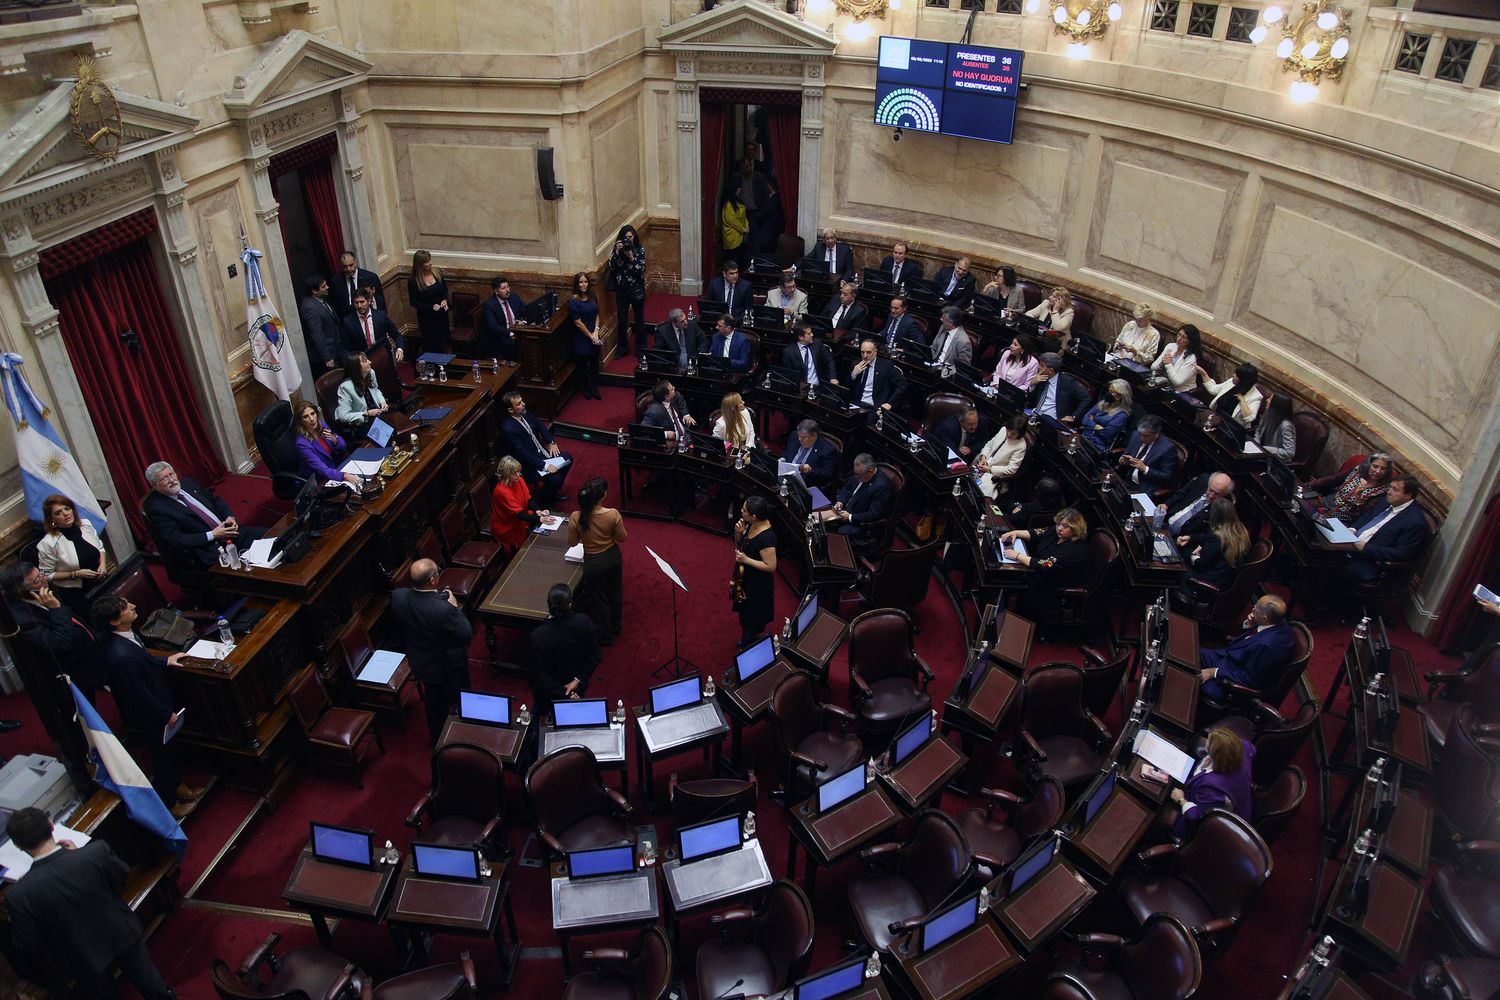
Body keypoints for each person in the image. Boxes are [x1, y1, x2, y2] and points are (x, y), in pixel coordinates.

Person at [4, 806, 177, 1000]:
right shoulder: (95, 852)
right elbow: (122, 874)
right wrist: (79, 854)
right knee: (153, 986)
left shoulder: (19, 895)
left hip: (80, 957)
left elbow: (28, 943)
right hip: (120, 931)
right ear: (51, 826)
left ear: (18, 845)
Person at [92, 596, 202, 819]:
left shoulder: (123, 636)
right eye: (125, 607)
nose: (133, 605)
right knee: (162, 756)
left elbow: (143, 659)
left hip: (155, 702)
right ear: (114, 621)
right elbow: (138, 693)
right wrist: (165, 714)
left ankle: (178, 785)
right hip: (149, 713)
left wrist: (165, 661)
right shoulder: (119, 655)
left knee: (169, 752)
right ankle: (170, 803)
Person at [390, 558, 473, 743]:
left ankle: (436, 735)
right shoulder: (442, 609)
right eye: (437, 572)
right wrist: (454, 607)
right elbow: (466, 631)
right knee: (460, 697)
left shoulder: (398, 596)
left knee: (433, 699)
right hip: (448, 664)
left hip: (421, 661)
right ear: (433, 581)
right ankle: (464, 731)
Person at [141, 462, 261, 583]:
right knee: (250, 575)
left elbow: (215, 500)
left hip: (232, 532)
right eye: (164, 478)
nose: (171, 480)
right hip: (209, 549)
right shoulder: (157, 509)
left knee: (271, 538)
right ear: (154, 486)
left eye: (171, 474)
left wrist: (229, 517)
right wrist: (213, 535)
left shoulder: (188, 483)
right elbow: (176, 539)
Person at [1000, 508, 1092, 619]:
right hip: (1043, 574)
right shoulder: (1056, 532)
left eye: (1065, 526)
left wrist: (1017, 556)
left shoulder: (1074, 550)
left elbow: (1045, 564)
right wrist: (1015, 532)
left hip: (1053, 586)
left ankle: (1019, 618)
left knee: (1016, 580)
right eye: (1058, 524)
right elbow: (1037, 533)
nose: (1060, 528)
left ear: (1075, 529)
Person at [567, 477, 627, 645]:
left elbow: (572, 542)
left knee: (599, 600)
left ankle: (606, 637)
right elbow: (622, 538)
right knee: (615, 593)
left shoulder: (576, 517)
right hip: (613, 557)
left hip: (593, 562)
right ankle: (616, 627)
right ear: (603, 496)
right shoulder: (613, 514)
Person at [1199, 595, 1293, 701]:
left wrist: (1213, 672)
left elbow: (1251, 679)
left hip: (1232, 680)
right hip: (1231, 658)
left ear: (1264, 618)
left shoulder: (1266, 646)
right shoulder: (1278, 621)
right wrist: (1249, 625)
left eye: (1256, 608)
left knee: (1197, 682)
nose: (1253, 608)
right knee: (1193, 654)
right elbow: (1246, 642)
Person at [1166, 728, 1254, 839]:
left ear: (1215, 755)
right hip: (1242, 806)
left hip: (1219, 828)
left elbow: (1197, 817)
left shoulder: (1210, 787)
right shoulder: (1244, 747)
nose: (1207, 738)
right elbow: (1252, 750)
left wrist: (1181, 800)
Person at [528, 583, 601, 715]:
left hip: (547, 693)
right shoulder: (584, 622)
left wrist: (564, 692)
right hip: (577, 687)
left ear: (548, 604)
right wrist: (576, 681)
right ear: (570, 604)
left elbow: (539, 674)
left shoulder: (538, 635)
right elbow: (594, 655)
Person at [1342, 475, 1430, 584]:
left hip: (1368, 562)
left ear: (1408, 495)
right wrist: (1353, 529)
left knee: (1329, 564)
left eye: (1395, 489)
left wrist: (1365, 547)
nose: (1389, 491)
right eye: (1390, 487)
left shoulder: (1415, 522)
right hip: (1348, 546)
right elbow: (1368, 516)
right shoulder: (1387, 500)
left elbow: (1401, 554)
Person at [36, 494, 106, 619]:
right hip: (77, 593)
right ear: (52, 519)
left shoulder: (85, 525)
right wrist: (75, 574)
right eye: (58, 513)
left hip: (101, 583)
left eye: (67, 508)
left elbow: (100, 546)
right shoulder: (48, 544)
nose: (65, 514)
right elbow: (46, 575)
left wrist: (103, 564)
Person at [497, 391, 572, 509]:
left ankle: (551, 493)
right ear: (511, 410)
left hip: (541, 453)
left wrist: (550, 442)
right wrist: (545, 466)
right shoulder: (508, 429)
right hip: (527, 465)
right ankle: (545, 503)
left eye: (522, 401)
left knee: (567, 459)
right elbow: (523, 454)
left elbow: (539, 425)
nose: (523, 404)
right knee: (555, 478)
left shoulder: (524, 413)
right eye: (519, 403)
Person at [733, 496, 778, 649]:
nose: (741, 511)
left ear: (754, 516)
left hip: (758, 586)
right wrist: (739, 534)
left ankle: (745, 649)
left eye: (744, 510)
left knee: (749, 620)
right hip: (747, 578)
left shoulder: (766, 538)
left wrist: (746, 560)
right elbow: (743, 547)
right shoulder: (751, 524)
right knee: (747, 616)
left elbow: (771, 566)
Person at [1180, 497, 1251, 594]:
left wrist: (1194, 555)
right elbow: (1206, 537)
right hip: (1224, 577)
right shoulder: (1240, 530)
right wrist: (1191, 538)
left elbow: (1201, 564)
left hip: (1207, 581)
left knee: (1181, 558)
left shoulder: (1217, 537)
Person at [819, 453, 893, 545]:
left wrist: (850, 517)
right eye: (855, 473)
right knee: (818, 520)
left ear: (871, 471)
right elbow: (847, 488)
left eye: (859, 475)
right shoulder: (859, 473)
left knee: (834, 534)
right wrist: (840, 501)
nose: (856, 477)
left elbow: (874, 514)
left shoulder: (882, 487)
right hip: (843, 511)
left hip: (860, 521)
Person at [490, 456, 555, 549]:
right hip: (507, 527)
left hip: (520, 521)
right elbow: (519, 514)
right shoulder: (501, 492)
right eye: (514, 473)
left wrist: (537, 511)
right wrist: (539, 519)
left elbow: (528, 498)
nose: (518, 474)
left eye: (518, 471)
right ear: (506, 474)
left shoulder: (518, 480)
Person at [1309, 452, 1394, 521]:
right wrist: (1312, 483)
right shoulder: (1358, 470)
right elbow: (1335, 479)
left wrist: (1358, 495)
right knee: (1305, 507)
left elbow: (1360, 514)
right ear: (1368, 465)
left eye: (1383, 469)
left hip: (1345, 515)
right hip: (1331, 500)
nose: (1378, 471)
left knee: (1316, 522)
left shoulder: (1383, 490)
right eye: (1375, 466)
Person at [292, 400, 358, 485]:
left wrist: (335, 441)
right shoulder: (302, 444)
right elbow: (321, 469)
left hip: (333, 467)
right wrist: (344, 476)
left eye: (312, 414)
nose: (311, 419)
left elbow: (343, 444)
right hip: (317, 479)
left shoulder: (321, 426)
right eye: (305, 417)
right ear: (300, 421)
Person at [607, 224, 647, 356]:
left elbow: (640, 270)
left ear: (634, 236)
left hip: (636, 289)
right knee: (622, 320)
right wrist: (617, 252)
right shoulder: (617, 249)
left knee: (639, 320)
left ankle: (641, 348)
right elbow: (612, 266)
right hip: (621, 290)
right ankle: (622, 348)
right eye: (625, 238)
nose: (628, 240)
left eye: (630, 237)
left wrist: (631, 257)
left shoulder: (639, 250)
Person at [1158, 471, 1235, 538]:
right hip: (1165, 521)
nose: (1211, 495)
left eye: (1216, 494)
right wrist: (1166, 504)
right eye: (1210, 490)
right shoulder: (1203, 480)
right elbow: (1181, 493)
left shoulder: (1221, 509)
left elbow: (1210, 533)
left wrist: (1191, 538)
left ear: (1224, 494)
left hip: (1180, 537)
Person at [333, 350, 388, 441]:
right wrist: (366, 413)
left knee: (391, 433)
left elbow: (375, 390)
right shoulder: (345, 387)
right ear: (357, 367)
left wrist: (382, 401)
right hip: (360, 424)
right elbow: (343, 416)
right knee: (384, 439)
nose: (370, 362)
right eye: (365, 360)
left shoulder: (371, 373)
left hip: (376, 417)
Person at [1026, 352, 1092, 425]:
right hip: (1034, 413)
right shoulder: (1040, 377)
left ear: (1050, 370)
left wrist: (1074, 416)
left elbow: (1087, 398)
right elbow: (1030, 400)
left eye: (1042, 365)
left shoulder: (1067, 382)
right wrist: (1032, 384)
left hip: (1051, 420)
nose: (1038, 367)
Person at [1117, 415, 1178, 491]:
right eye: (1141, 434)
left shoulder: (1167, 448)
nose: (1142, 438)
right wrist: (1122, 460)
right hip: (1125, 479)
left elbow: (1166, 477)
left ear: (1156, 433)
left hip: (1143, 487)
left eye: (1146, 436)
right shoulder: (1135, 435)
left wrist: (1145, 469)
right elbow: (1126, 454)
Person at [407, 248, 451, 353]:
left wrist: (444, 300)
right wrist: (430, 307)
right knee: (432, 344)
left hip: (441, 314)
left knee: (445, 341)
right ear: (420, 265)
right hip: (427, 318)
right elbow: (413, 301)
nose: (430, 263)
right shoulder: (413, 281)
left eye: (430, 260)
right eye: (427, 262)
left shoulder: (437, 272)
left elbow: (444, 289)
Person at [975, 415, 1029, 500]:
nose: (1009, 434)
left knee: (980, 492)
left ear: (1020, 433)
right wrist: (983, 457)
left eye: (1013, 433)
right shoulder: (1003, 430)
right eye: (1008, 430)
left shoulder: (1021, 445)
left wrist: (989, 469)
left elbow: (1011, 469)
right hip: (982, 464)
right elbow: (989, 445)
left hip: (995, 475)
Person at [567, 271, 602, 400]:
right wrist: (590, 335)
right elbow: (578, 323)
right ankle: (586, 387)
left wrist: (596, 331)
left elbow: (597, 313)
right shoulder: (573, 302)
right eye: (581, 282)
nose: (583, 284)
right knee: (583, 364)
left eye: (585, 282)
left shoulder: (592, 296)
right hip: (581, 337)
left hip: (594, 334)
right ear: (577, 284)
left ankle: (594, 387)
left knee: (594, 363)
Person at [478, 275, 529, 364]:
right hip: (500, 336)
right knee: (520, 346)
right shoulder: (489, 305)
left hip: (517, 330)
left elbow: (525, 312)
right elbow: (493, 327)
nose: (507, 290)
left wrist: (523, 322)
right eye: (503, 288)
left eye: (508, 287)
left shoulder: (514, 297)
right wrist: (510, 333)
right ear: (496, 291)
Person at [298, 275, 343, 372]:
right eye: (323, 286)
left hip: (337, 349)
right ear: (314, 291)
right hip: (329, 354)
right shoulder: (310, 308)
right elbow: (317, 334)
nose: (327, 287)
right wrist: (327, 357)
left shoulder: (320, 299)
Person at [848, 338, 907, 411]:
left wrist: (889, 403)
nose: (865, 356)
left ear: (875, 352)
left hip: (875, 406)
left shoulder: (886, 365)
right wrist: (853, 374)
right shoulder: (856, 364)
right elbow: (848, 387)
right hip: (857, 403)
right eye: (862, 352)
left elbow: (902, 384)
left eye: (868, 352)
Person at [1201, 361, 1263, 429]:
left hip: (1230, 429)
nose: (1233, 375)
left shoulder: (1256, 396)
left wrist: (1242, 399)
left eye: (1236, 375)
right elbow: (1213, 390)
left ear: (1243, 380)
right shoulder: (1231, 382)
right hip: (1214, 420)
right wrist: (1203, 373)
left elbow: (1249, 418)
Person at [783, 419, 839, 489]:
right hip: (785, 476)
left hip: (803, 486)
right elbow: (788, 452)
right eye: (799, 436)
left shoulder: (827, 451)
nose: (800, 439)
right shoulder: (794, 436)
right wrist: (783, 458)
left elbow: (828, 475)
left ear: (814, 436)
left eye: (804, 437)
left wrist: (811, 470)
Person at [1079, 379, 1133, 450]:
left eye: (1111, 392)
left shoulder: (1121, 416)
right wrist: (1096, 426)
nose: (1108, 394)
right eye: (1109, 391)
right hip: (1083, 437)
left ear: (1119, 397)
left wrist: (1091, 422)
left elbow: (1106, 433)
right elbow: (1085, 419)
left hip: (1097, 445)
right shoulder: (1103, 403)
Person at [330, 250, 385, 318]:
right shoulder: (336, 281)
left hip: (369, 317)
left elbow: (380, 300)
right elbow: (336, 305)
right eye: (345, 266)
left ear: (356, 262)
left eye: (351, 265)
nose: (348, 269)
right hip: (349, 320)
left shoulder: (370, 277)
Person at [781, 322, 838, 387]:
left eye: (811, 332)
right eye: (809, 334)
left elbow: (829, 360)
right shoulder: (789, 352)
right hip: (800, 388)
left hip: (819, 385)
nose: (812, 335)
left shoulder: (817, 344)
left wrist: (833, 377)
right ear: (801, 337)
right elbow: (789, 374)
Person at [1151, 324, 1203, 392]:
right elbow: (1152, 368)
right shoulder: (1171, 346)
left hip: (1181, 392)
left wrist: (1168, 364)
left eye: (1183, 337)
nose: (1179, 338)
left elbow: (1177, 383)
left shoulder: (1191, 358)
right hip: (1163, 385)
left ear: (1190, 341)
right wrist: (1161, 364)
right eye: (1179, 334)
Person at [1254, 392, 1297, 461]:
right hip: (1260, 454)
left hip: (1274, 461)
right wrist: (1256, 445)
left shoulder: (1286, 425)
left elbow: (1290, 452)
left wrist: (1264, 449)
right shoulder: (1267, 414)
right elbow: (1258, 431)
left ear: (1276, 405)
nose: (1267, 400)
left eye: (1270, 400)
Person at [720, 186, 748, 263]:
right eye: (737, 187)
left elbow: (743, 216)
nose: (740, 189)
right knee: (733, 259)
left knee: (741, 258)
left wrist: (747, 225)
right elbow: (732, 221)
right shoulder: (729, 204)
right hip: (732, 236)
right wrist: (743, 229)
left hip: (740, 234)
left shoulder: (738, 201)